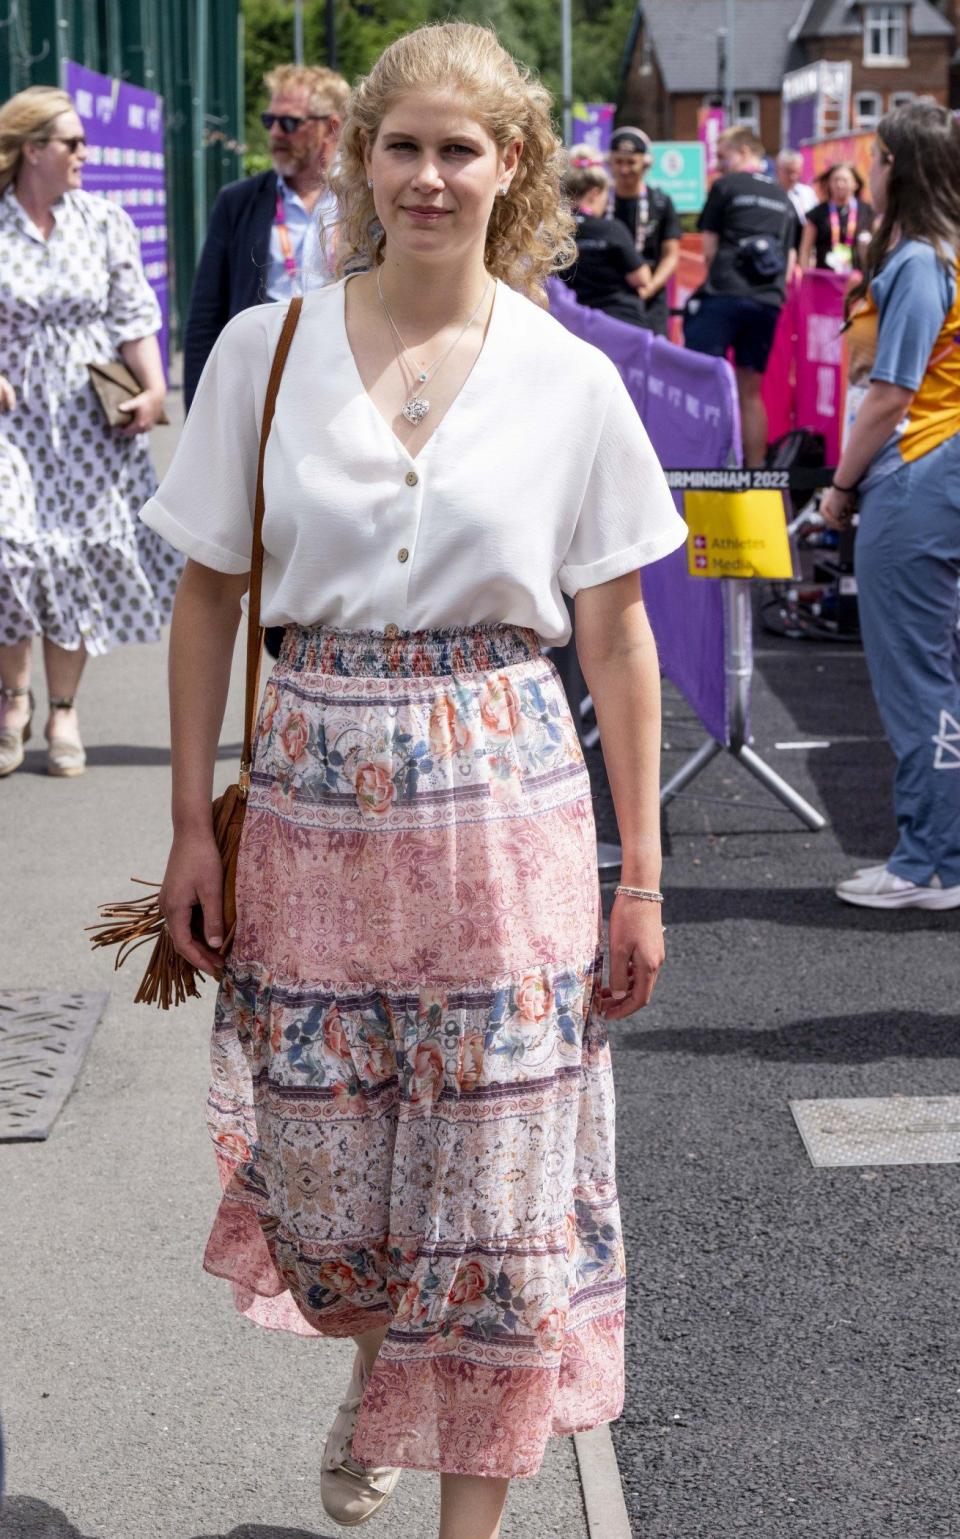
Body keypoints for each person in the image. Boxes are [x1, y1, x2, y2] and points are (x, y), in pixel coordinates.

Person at [141, 20, 687, 1538]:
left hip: (512, 814)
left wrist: (640, 877)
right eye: (404, 146)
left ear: (511, 168)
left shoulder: (570, 378)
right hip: (311, 812)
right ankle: (383, 1367)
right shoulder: (269, 351)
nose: (430, 176)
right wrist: (191, 820)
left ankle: (468, 1514)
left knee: (502, 1204)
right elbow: (207, 598)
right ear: (361, 162)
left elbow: (619, 635)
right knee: (336, 1196)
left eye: (463, 148)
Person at [0, 85, 177, 779]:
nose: (85, 153)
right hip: (13, 420)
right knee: (11, 553)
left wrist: (155, 384)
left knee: (70, 559)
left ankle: (63, 709)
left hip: (86, 423)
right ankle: (12, 699)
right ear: (31, 149)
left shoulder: (104, 221)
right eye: (72, 143)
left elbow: (134, 314)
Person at [820, 101, 960, 911]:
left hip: (915, 472)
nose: (865, 170)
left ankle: (928, 862)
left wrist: (840, 485)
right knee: (933, 670)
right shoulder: (943, 251)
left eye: (874, 157)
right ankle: (935, 852)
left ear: (898, 169)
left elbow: (890, 394)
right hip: (938, 468)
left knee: (916, 678)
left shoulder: (916, 262)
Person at [183, 63, 348, 411]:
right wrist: (198, 414)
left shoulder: (363, 201)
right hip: (258, 387)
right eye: (268, 121)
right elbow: (205, 317)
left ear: (332, 127)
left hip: (342, 381)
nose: (275, 133)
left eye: (289, 123)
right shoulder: (238, 202)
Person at [684, 125, 801, 467]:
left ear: (746, 152)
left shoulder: (725, 186)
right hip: (767, 301)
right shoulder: (783, 196)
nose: (718, 165)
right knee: (751, 391)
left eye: (723, 156)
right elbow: (790, 259)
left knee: (702, 381)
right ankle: (755, 472)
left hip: (725, 294)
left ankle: (703, 466)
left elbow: (708, 250)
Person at [608, 126, 681, 336]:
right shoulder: (601, 202)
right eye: (618, 162)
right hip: (610, 296)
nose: (624, 170)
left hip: (650, 296)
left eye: (631, 162)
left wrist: (648, 289)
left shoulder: (660, 202)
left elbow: (671, 255)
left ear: (645, 163)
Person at [561, 159, 652, 326]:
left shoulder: (553, 232)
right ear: (595, 193)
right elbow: (641, 278)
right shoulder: (611, 229)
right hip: (618, 321)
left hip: (570, 322)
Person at [799, 161, 875, 275]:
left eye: (844, 180)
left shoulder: (868, 211)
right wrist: (806, 276)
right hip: (825, 280)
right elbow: (805, 250)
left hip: (857, 280)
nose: (839, 184)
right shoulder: (817, 213)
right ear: (829, 183)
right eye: (835, 180)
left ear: (855, 184)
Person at [776, 147, 818, 222]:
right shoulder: (770, 191)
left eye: (796, 172)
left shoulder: (808, 193)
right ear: (778, 170)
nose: (793, 177)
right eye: (788, 172)